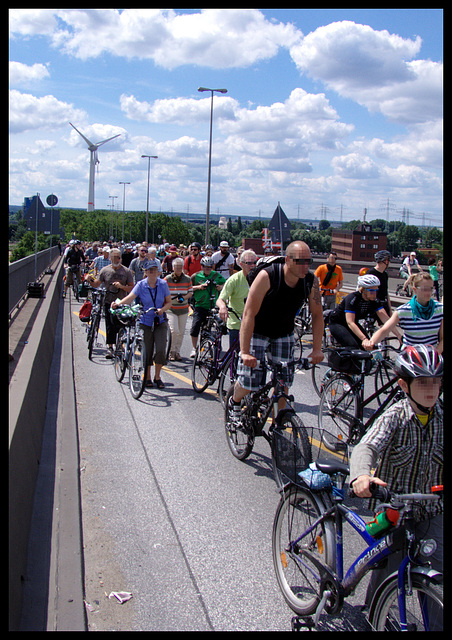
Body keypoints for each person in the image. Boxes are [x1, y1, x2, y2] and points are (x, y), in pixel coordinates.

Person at [349, 345, 443, 619]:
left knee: (436, 576)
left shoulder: (441, 416)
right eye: (423, 382)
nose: (431, 389)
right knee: (387, 573)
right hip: (395, 512)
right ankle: (374, 616)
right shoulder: (395, 416)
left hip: (431, 511)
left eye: (436, 381)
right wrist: (362, 476)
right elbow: (367, 447)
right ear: (404, 384)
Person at [229, 241, 324, 422]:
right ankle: (235, 400)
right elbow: (249, 313)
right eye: (300, 261)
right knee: (251, 381)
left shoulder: (310, 282)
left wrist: (317, 348)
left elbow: (318, 315)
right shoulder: (268, 276)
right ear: (287, 260)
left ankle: (278, 426)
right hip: (257, 330)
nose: (305, 266)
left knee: (283, 383)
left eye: (309, 261)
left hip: (284, 332)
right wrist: (245, 352)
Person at [111, 261, 172, 388]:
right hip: (145, 321)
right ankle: (148, 377)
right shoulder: (141, 285)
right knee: (147, 350)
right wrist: (119, 304)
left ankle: (157, 376)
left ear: (158, 272)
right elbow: (131, 297)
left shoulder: (163, 284)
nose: (152, 272)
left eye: (154, 270)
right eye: (149, 270)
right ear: (145, 272)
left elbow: (169, 302)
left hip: (160, 321)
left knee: (161, 349)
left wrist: (162, 310)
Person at [364, 272, 443, 354]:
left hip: (431, 357)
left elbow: (443, 339)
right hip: (410, 357)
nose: (428, 292)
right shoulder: (403, 311)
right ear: (414, 289)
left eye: (431, 289)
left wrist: (435, 354)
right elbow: (385, 330)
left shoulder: (440, 309)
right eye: (424, 289)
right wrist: (371, 342)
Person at [328, 274, 401, 349]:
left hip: (354, 323)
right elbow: (350, 322)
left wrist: (398, 335)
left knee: (367, 346)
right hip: (338, 323)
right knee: (352, 346)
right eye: (372, 291)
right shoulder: (353, 298)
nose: (375, 294)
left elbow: (387, 321)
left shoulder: (374, 301)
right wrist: (364, 339)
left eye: (376, 290)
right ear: (363, 290)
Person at [85, 248, 134, 358]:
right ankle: (110, 347)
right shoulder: (104, 270)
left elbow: (132, 288)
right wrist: (90, 280)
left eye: (118, 257)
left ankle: (120, 345)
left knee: (121, 325)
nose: (116, 259)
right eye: (114, 257)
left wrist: (121, 286)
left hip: (121, 302)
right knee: (109, 326)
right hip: (108, 300)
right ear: (110, 258)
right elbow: (97, 284)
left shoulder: (126, 271)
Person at [216, 249, 258, 349]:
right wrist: (222, 307)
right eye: (249, 263)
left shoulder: (260, 278)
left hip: (254, 323)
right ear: (241, 264)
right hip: (236, 323)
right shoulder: (234, 280)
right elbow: (220, 299)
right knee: (235, 355)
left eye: (254, 262)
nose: (252, 265)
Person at [189, 256, 226, 357]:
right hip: (200, 305)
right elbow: (188, 288)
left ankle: (215, 345)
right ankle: (194, 348)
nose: (207, 269)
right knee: (195, 327)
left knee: (220, 326)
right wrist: (199, 287)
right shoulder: (195, 276)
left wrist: (220, 287)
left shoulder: (216, 275)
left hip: (213, 306)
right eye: (205, 267)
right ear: (201, 267)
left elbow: (226, 284)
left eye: (209, 267)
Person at [165, 257, 193, 361]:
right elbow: (163, 291)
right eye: (176, 267)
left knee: (181, 332)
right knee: (174, 330)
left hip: (183, 309)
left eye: (180, 267)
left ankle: (177, 351)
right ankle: (171, 351)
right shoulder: (167, 279)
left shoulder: (187, 279)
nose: (178, 269)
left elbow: (190, 292)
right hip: (171, 308)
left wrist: (183, 298)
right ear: (173, 268)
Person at [365, 250, 393, 316]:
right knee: (369, 325)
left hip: (383, 303)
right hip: (372, 304)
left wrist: (390, 308)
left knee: (386, 324)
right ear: (385, 261)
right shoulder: (370, 273)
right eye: (388, 260)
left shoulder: (385, 274)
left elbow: (386, 292)